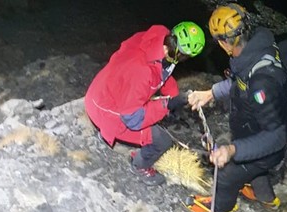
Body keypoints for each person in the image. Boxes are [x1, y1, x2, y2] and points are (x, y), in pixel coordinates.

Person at [185, 3, 287, 212]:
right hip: (254, 131)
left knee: (225, 175)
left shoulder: (262, 83)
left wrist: (233, 150)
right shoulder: (256, 53)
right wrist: (210, 93)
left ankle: (222, 207)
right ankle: (268, 200)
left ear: (225, 43)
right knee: (254, 169)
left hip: (267, 143)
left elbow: (275, 137)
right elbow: (239, 83)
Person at [84, 21, 205, 185]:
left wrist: (175, 96)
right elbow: (133, 119)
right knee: (162, 140)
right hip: (106, 111)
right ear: (182, 55)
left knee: (154, 115)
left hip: (101, 92)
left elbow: (163, 74)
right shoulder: (143, 71)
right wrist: (166, 105)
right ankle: (139, 165)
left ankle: (104, 131)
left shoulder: (157, 40)